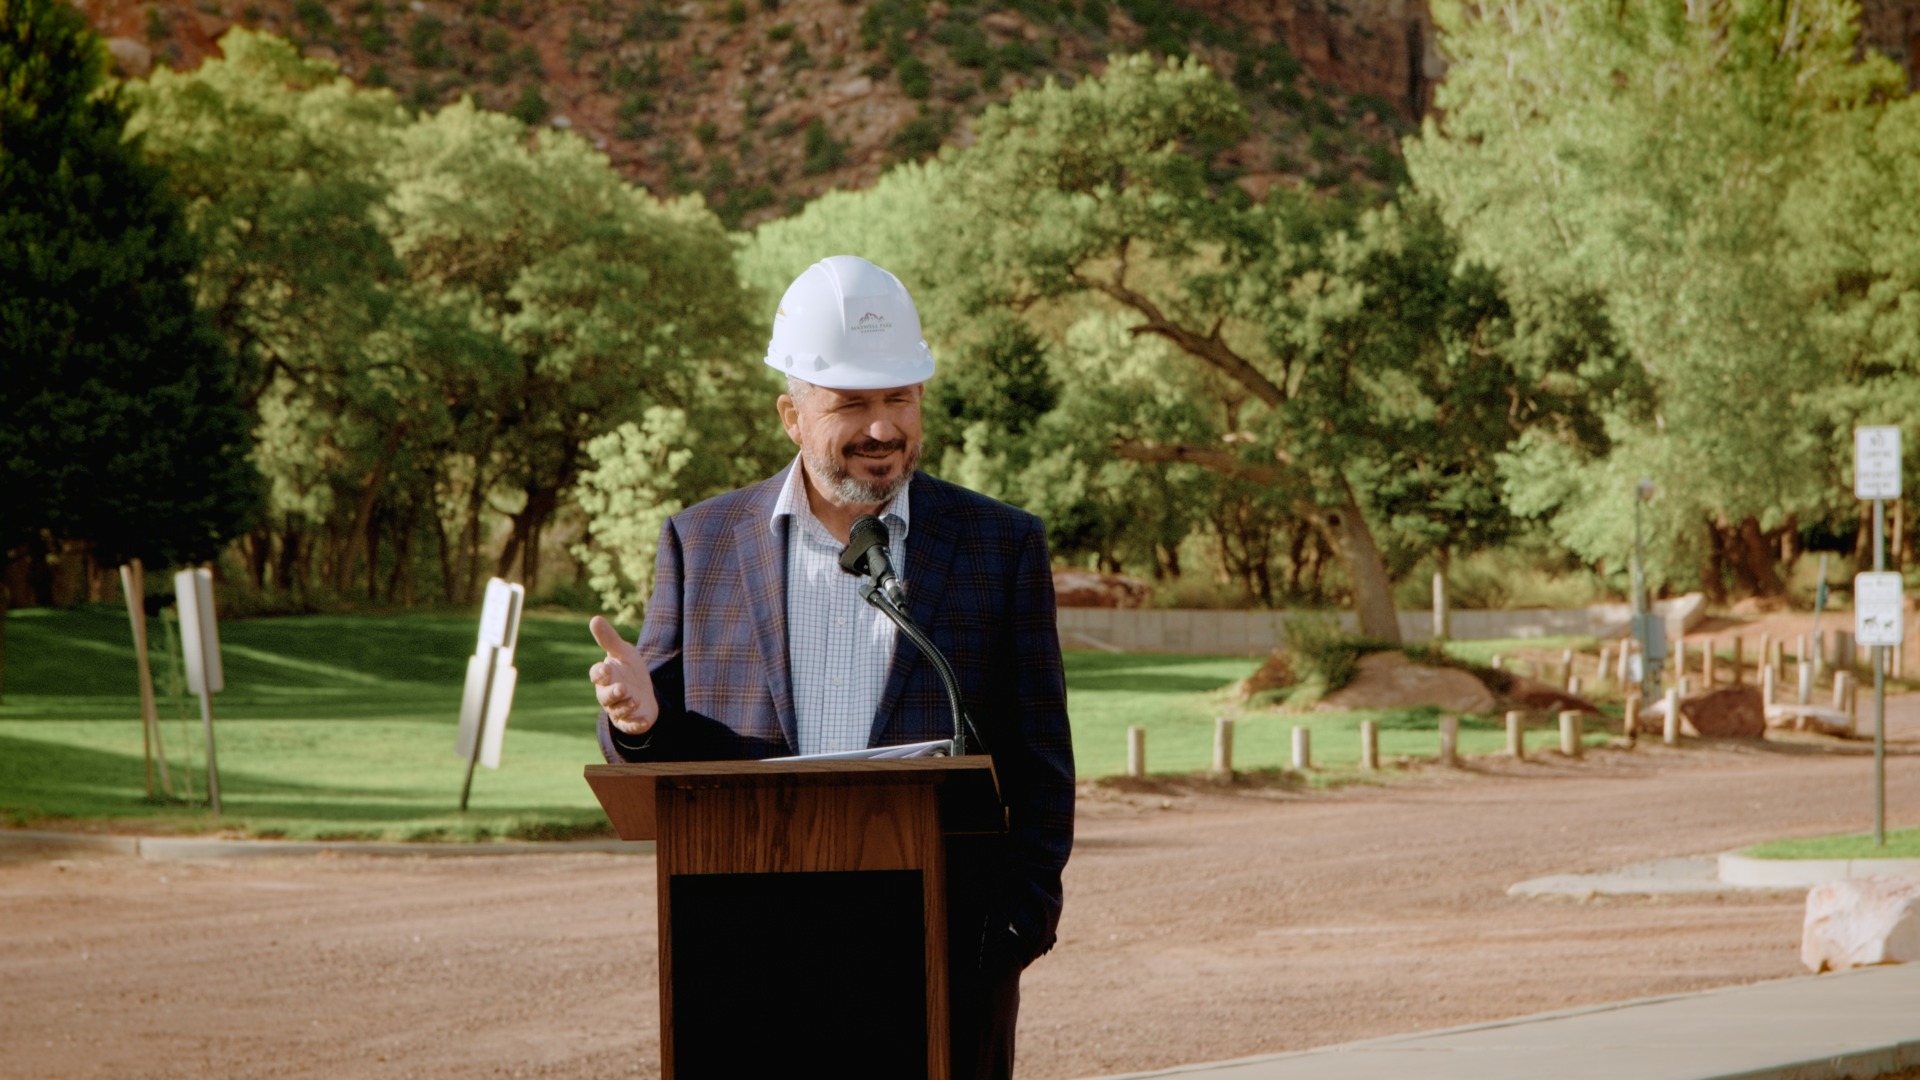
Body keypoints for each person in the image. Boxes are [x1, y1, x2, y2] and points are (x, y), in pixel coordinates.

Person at [588, 254, 1074, 1079]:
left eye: (900, 399)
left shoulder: (1002, 544)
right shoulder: (700, 545)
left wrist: (1015, 928)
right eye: (853, 404)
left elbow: (1042, 763)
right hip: (744, 950)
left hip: (949, 956)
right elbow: (659, 742)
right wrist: (636, 722)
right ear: (792, 413)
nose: (883, 429)